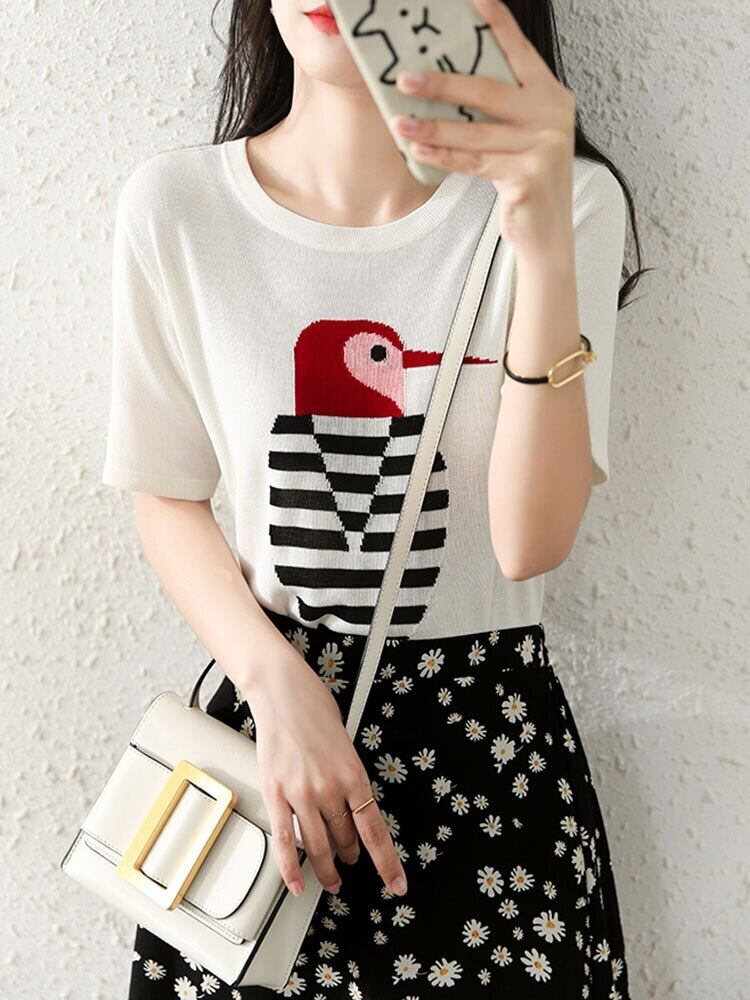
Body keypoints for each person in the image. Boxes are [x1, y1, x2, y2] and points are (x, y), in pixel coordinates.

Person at [104, 1, 647, 996]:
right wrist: (273, 683)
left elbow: (529, 541)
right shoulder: (179, 208)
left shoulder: (567, 199)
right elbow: (166, 493)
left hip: (489, 760)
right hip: (270, 757)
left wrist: (538, 239)